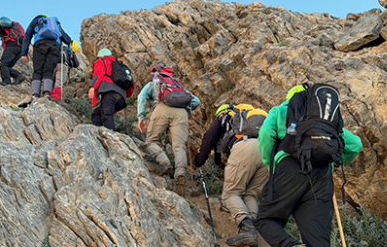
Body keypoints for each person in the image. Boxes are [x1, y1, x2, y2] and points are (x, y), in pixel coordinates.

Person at [255, 89, 363, 247]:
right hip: (322, 175)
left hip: (290, 168)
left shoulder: (281, 111)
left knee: (266, 219)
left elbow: (265, 134)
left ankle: (291, 246)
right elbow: (355, 145)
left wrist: (271, 164)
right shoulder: (325, 122)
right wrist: (333, 161)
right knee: (317, 240)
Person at [193, 104, 269, 247]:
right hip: (266, 151)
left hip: (245, 146)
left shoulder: (225, 117)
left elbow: (210, 137)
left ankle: (247, 229)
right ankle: (252, 232)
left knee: (230, 194)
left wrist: (199, 160)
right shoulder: (253, 119)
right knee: (250, 194)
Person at [137, 64, 200, 196]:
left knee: (151, 141)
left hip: (161, 108)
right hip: (181, 113)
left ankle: (164, 162)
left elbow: (141, 97)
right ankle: (180, 174)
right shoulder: (179, 86)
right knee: (179, 146)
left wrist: (141, 117)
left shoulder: (155, 82)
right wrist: (185, 108)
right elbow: (196, 101)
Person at [19, 14, 72, 105]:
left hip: (40, 44)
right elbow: (67, 39)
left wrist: (24, 53)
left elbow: (27, 36)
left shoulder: (35, 21)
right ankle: (47, 93)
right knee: (49, 71)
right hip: (55, 47)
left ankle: (35, 94)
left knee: (37, 71)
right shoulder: (55, 24)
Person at [88, 48, 135, 130]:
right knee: (97, 114)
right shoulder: (119, 67)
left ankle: (110, 137)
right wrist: (124, 95)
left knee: (107, 116)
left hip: (109, 94)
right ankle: (99, 134)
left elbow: (99, 74)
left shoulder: (102, 61)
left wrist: (93, 87)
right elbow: (131, 84)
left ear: (101, 56)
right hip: (121, 99)